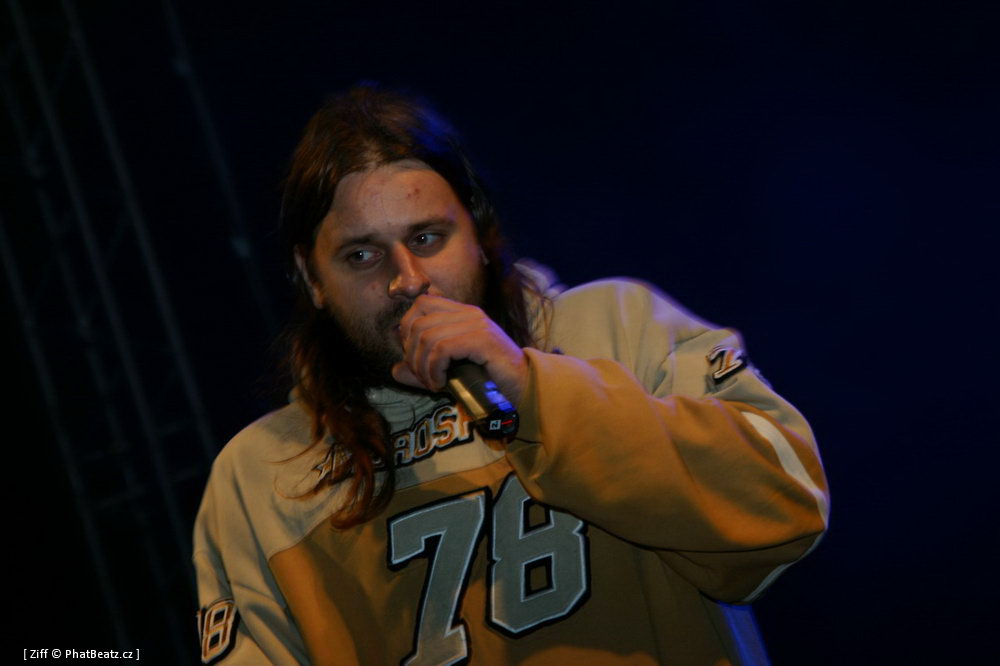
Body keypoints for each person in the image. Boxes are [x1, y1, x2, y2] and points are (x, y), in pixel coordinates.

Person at [193, 84, 829, 665]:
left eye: (427, 238)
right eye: (361, 255)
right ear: (312, 279)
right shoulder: (258, 475)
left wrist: (533, 390)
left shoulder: (620, 326)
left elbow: (786, 508)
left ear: (478, 230)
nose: (407, 280)